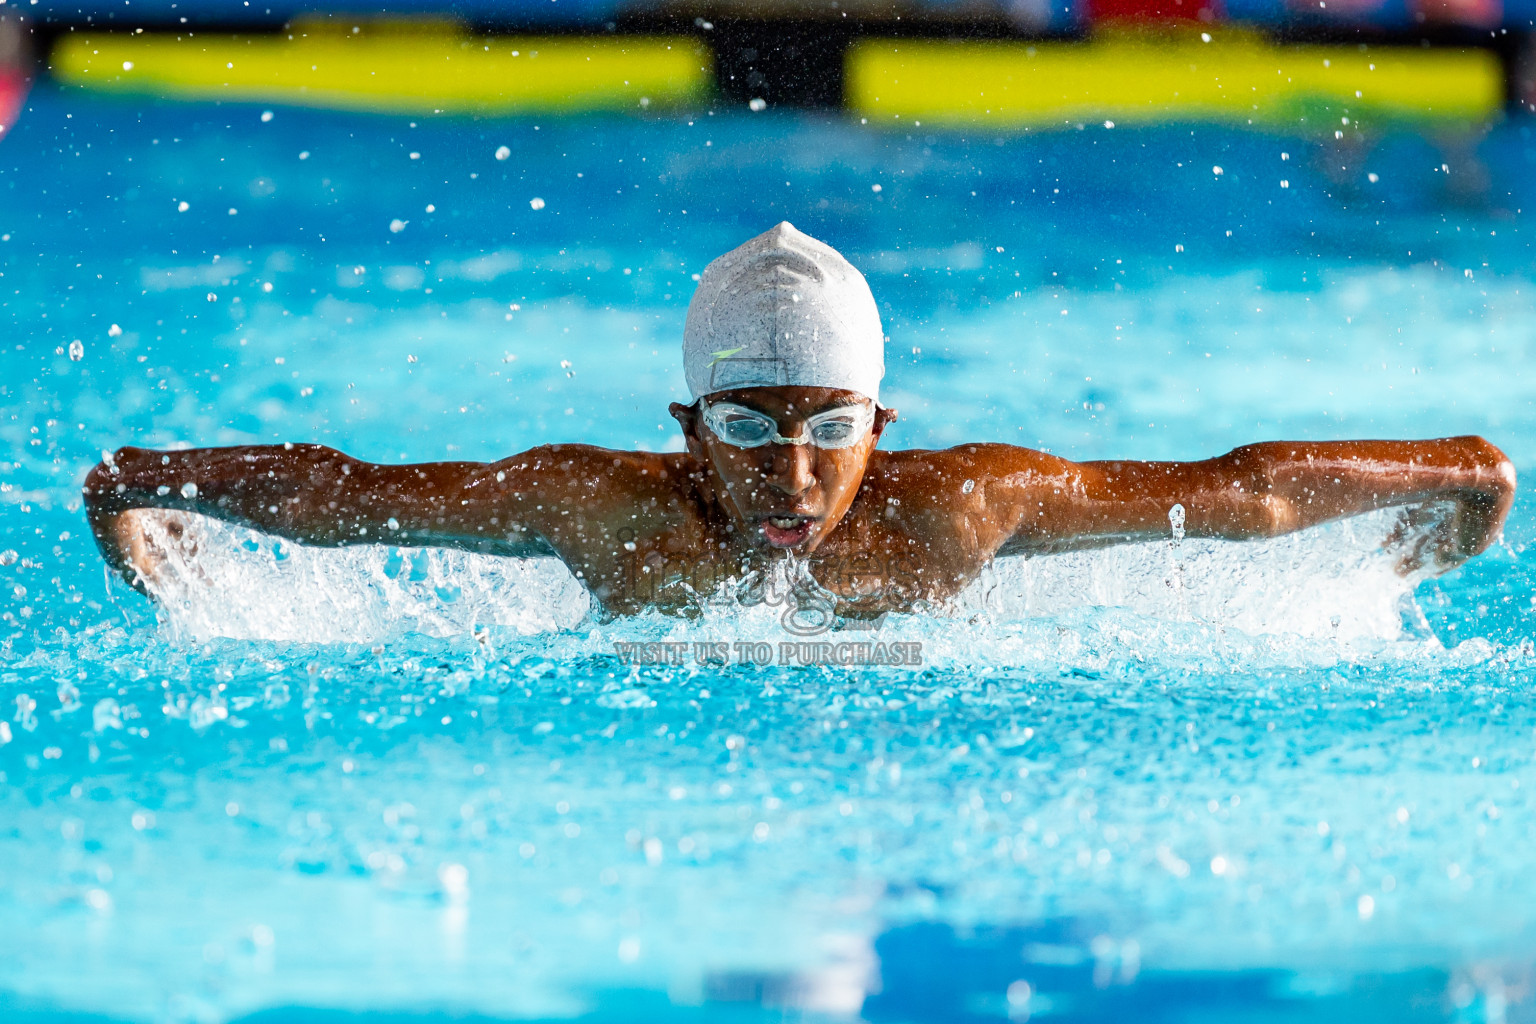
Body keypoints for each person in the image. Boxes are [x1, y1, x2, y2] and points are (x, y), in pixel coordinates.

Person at [84, 222, 1515, 621]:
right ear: (684, 427)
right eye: (746, 425)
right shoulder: (605, 507)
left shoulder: (963, 505)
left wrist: (1464, 473)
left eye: (829, 425)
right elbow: (356, 495)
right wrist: (142, 481)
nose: (792, 465)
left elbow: (1241, 489)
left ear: (883, 424)